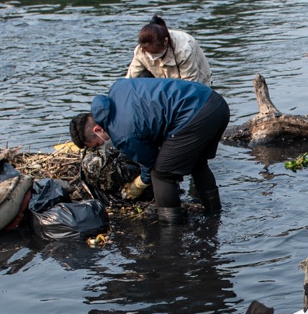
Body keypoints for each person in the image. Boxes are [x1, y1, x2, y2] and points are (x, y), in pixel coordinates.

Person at [70, 77, 230, 222]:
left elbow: (151, 162)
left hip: (195, 115)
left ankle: (171, 230)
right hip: (215, 103)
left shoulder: (122, 135)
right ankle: (214, 213)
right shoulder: (117, 87)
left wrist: (138, 184)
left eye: (98, 144)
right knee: (198, 163)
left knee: (162, 174)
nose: (102, 146)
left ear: (98, 130)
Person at [126, 16, 212, 84]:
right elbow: (129, 78)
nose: (152, 57)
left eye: (155, 53)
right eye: (149, 53)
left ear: (166, 42)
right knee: (141, 78)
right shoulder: (140, 51)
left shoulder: (184, 50)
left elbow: (189, 83)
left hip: (196, 78)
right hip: (162, 78)